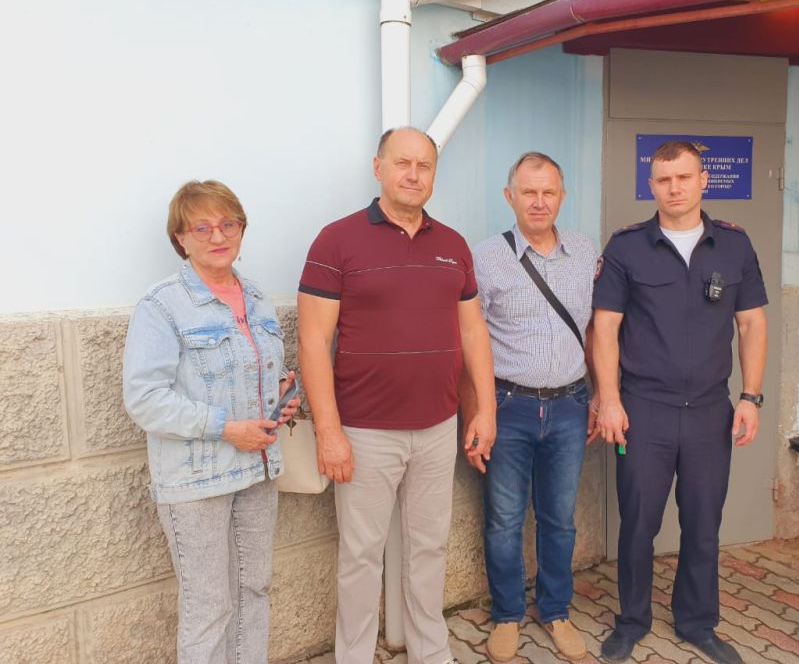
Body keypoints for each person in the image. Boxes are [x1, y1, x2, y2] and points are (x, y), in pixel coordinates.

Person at [297, 127, 496, 664]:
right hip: (364, 431)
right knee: (361, 555)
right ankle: (355, 656)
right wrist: (329, 431)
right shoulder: (336, 241)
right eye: (402, 163)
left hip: (438, 426)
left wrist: (485, 410)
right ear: (378, 167)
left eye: (424, 165)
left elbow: (473, 332)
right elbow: (312, 341)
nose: (413, 174)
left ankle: (431, 651)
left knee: (429, 547)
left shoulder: (452, 245)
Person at [592, 141, 768, 664]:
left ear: (703, 180)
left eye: (684, 177)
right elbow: (606, 328)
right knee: (638, 524)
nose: (675, 188)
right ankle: (631, 622)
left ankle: (697, 622)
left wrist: (751, 396)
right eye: (664, 180)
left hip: (711, 412)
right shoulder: (627, 247)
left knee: (703, 523)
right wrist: (609, 400)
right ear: (651, 185)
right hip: (644, 409)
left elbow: (752, 323)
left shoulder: (734, 245)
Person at [123, 180, 300, 664]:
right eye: (201, 228)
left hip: (257, 470)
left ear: (242, 229)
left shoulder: (258, 299)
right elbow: (144, 399)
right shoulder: (162, 306)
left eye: (228, 224)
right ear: (181, 238)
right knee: (208, 607)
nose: (217, 236)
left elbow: (251, 374)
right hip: (197, 479)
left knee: (254, 591)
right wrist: (226, 427)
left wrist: (280, 396)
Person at [461, 153, 598, 662]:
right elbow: (468, 341)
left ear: (562, 196)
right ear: (510, 196)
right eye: (528, 192)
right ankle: (507, 615)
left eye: (548, 192)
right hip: (507, 406)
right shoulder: (485, 257)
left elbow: (594, 330)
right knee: (504, 520)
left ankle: (556, 610)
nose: (539, 202)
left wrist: (601, 394)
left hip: (569, 406)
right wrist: (476, 415)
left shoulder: (585, 252)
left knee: (559, 519)